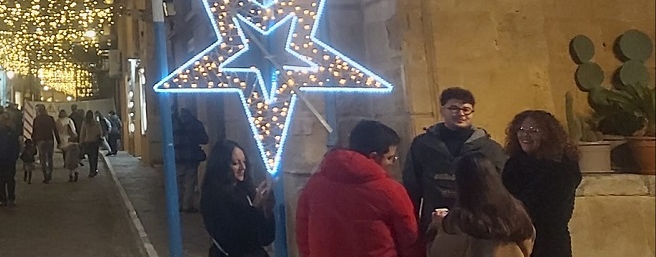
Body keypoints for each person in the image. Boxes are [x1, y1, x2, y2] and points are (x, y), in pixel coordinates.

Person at [296, 119, 422, 257]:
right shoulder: (390, 190)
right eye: (390, 157)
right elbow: (409, 240)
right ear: (374, 157)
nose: (392, 163)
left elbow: (303, 234)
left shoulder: (315, 184)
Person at [403, 87, 507, 230]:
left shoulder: (490, 148)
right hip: (435, 221)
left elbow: (500, 186)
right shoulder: (423, 145)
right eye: (453, 108)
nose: (460, 114)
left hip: (477, 223)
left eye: (466, 109)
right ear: (442, 110)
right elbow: (411, 186)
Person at [501, 110, 581, 257]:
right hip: (516, 240)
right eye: (521, 129)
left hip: (548, 243)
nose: (525, 135)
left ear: (548, 135)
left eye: (534, 131)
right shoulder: (514, 164)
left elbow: (545, 208)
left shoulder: (561, 166)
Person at [427, 153, 535, 257]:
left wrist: (437, 226)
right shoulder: (515, 214)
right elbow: (527, 247)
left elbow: (439, 252)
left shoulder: (457, 223)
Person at [200, 139, 275, 257]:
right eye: (235, 163)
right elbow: (235, 240)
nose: (243, 167)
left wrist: (266, 210)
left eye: (244, 162)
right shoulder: (213, 197)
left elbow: (266, 238)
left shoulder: (246, 190)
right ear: (222, 165)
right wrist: (254, 208)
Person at [174, 107, 210, 212]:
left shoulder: (174, 123)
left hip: (178, 157)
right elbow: (205, 139)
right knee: (190, 182)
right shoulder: (195, 124)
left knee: (178, 182)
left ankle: (178, 204)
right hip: (191, 157)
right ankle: (187, 205)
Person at [0, 112, 22, 206]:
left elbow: (15, 145)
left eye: (1, 121)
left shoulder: (11, 133)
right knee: (0, 179)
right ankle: (2, 198)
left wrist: (14, 156)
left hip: (9, 159)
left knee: (10, 179)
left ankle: (11, 197)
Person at [31, 104, 58, 184]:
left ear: (39, 111)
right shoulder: (50, 119)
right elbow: (55, 130)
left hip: (40, 140)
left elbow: (34, 132)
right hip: (49, 139)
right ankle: (50, 173)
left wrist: (34, 142)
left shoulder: (36, 119)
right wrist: (59, 141)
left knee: (43, 158)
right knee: (50, 158)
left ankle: (45, 175)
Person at [80, 109, 103, 177]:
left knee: (90, 157)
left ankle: (91, 170)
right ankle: (95, 169)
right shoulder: (96, 123)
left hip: (87, 142)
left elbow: (82, 133)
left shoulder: (85, 123)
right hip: (95, 142)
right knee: (95, 156)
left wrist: (81, 142)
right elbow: (100, 132)